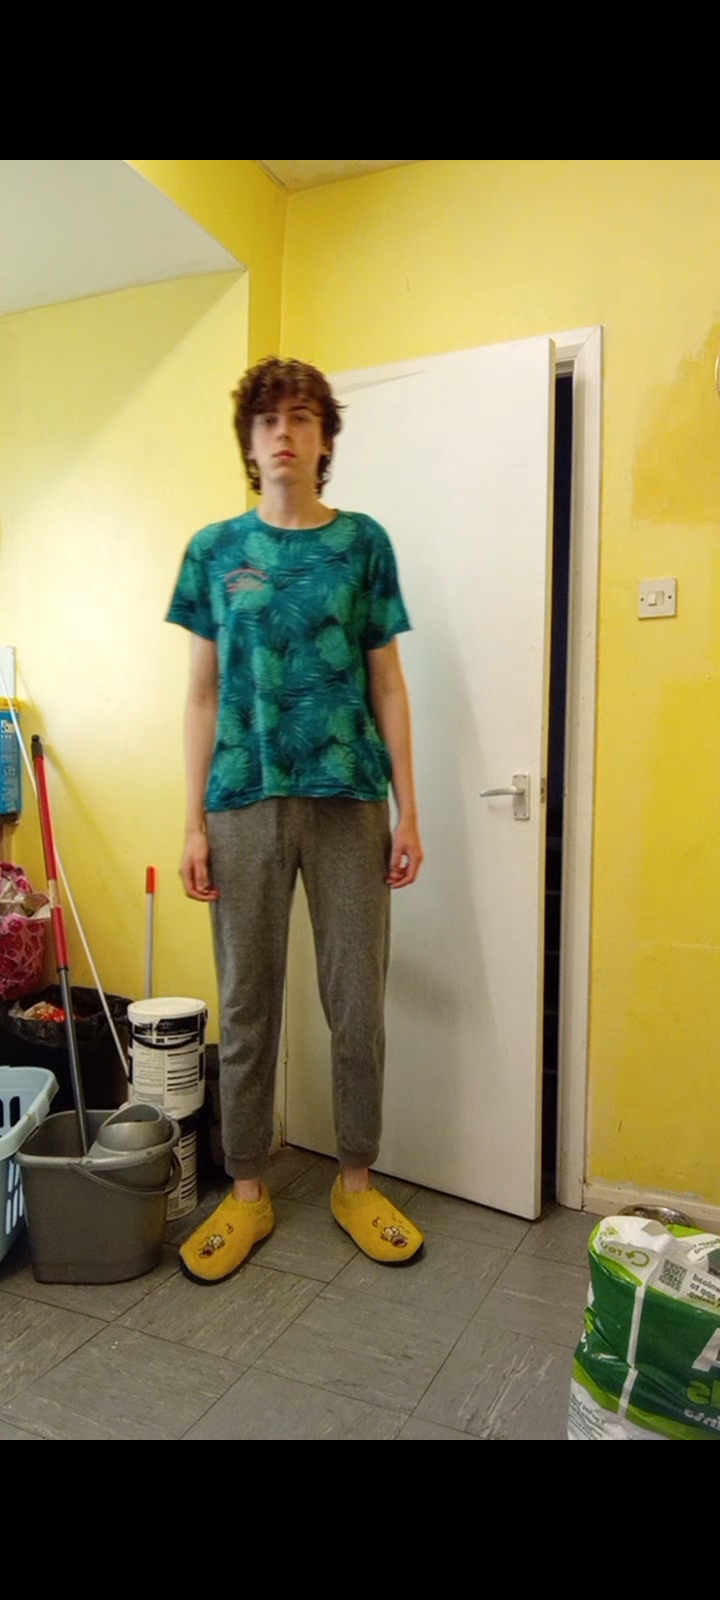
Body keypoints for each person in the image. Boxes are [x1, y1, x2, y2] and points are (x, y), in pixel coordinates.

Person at [167, 356, 425, 1284]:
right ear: (249, 441)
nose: (285, 432)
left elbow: (388, 683)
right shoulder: (213, 550)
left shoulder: (363, 544)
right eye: (269, 418)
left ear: (324, 440)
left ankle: (356, 1180)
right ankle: (247, 1190)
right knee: (246, 1004)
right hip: (241, 802)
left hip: (351, 801)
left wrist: (409, 809)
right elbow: (202, 695)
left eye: (303, 417)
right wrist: (192, 822)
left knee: (356, 1001)